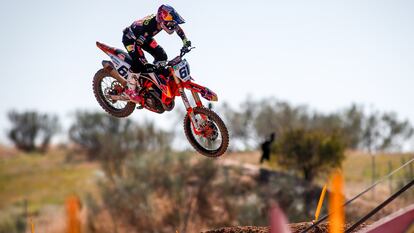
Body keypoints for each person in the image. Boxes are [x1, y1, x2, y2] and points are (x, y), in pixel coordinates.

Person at [122, 5, 192, 103]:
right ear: (161, 18)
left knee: (162, 56)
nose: (171, 23)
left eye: (171, 19)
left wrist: (185, 41)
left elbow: (177, 28)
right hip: (131, 39)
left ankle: (156, 80)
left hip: (145, 36)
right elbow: (138, 44)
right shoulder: (150, 25)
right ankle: (130, 90)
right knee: (139, 62)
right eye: (168, 20)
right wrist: (143, 60)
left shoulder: (162, 22)